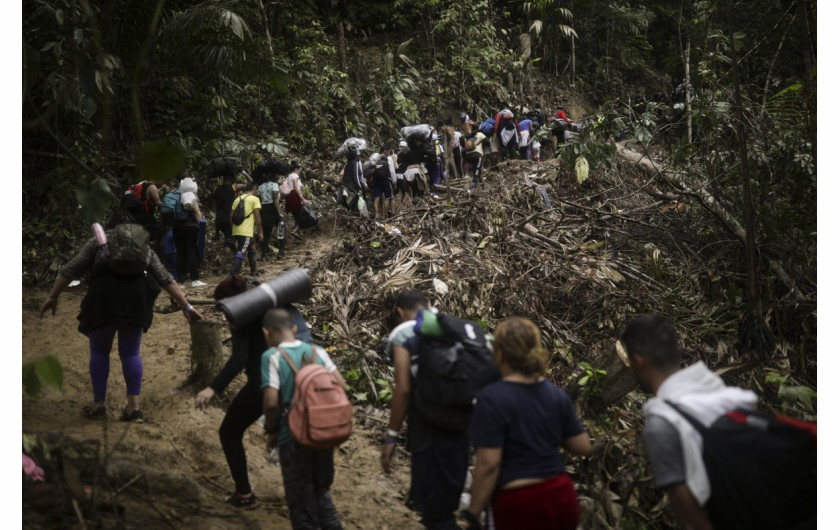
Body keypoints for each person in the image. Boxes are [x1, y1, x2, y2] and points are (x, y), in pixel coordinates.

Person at [39, 223, 201, 422]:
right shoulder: (144, 248)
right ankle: (133, 408)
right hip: (135, 300)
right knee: (131, 353)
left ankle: (98, 405)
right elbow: (165, 278)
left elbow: (69, 270)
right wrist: (186, 306)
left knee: (99, 351)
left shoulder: (97, 243)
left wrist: (53, 296)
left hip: (103, 298)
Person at [620, 314, 764, 530]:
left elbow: (693, 521)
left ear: (638, 361)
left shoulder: (662, 425)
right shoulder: (728, 398)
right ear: (679, 353)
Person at [459, 317, 591, 530]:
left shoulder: (492, 397)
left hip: (519, 503)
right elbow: (582, 447)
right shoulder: (556, 395)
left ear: (499, 354)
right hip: (561, 497)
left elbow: (489, 465)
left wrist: (473, 513)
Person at [194, 276, 313, 510]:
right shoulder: (270, 306)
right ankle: (309, 496)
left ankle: (244, 494)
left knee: (229, 432)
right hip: (297, 381)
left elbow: (238, 359)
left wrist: (212, 388)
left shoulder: (240, 315)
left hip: (264, 384)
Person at [380, 290, 469, 529]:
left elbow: (404, 389)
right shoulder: (454, 326)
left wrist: (391, 438)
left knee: (435, 515)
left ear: (400, 312)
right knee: (448, 505)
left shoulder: (403, 333)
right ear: (427, 306)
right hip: (463, 425)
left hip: (428, 432)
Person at [261, 308, 345, 530]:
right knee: (321, 490)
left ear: (266, 332)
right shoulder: (317, 352)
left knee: (300, 497)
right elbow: (341, 386)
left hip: (293, 436)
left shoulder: (272, 357)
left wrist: (272, 431)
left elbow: (270, 402)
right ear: (295, 328)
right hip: (322, 432)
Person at [213, 172, 250, 273]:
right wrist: (244, 173)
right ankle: (222, 268)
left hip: (219, 220)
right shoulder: (234, 187)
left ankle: (239, 263)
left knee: (232, 241)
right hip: (230, 219)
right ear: (231, 177)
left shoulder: (216, 189)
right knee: (228, 243)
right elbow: (251, 184)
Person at [173, 177, 206, 288]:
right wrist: (201, 226)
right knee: (191, 251)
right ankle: (194, 280)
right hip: (190, 226)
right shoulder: (191, 195)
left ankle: (180, 282)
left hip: (177, 227)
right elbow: (196, 211)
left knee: (180, 252)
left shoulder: (175, 195)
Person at [230, 181, 262, 277]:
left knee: (251, 248)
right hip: (246, 232)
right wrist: (260, 232)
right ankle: (233, 275)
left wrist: (233, 229)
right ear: (254, 189)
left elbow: (231, 216)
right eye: (257, 190)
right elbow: (257, 216)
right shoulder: (254, 199)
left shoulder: (237, 199)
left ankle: (254, 271)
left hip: (236, 230)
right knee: (241, 252)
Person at [257, 163, 283, 260]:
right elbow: (275, 198)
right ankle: (281, 252)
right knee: (281, 229)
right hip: (273, 208)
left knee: (266, 232)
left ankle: (263, 255)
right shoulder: (275, 185)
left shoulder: (260, 187)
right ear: (271, 175)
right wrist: (279, 212)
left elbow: (259, 200)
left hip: (264, 208)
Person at [285, 161, 308, 238]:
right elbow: (295, 187)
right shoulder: (295, 175)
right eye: (298, 169)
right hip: (295, 195)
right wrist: (302, 197)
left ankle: (297, 231)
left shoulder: (289, 176)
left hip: (290, 196)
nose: (299, 171)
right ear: (295, 169)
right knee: (302, 213)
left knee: (295, 214)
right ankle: (295, 230)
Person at [371, 150, 395, 219]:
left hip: (376, 181)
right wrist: (393, 182)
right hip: (385, 181)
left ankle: (377, 215)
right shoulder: (385, 163)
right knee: (389, 197)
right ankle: (388, 215)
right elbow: (389, 173)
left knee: (376, 198)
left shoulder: (375, 164)